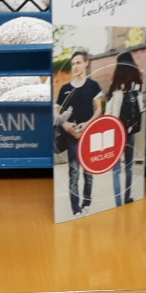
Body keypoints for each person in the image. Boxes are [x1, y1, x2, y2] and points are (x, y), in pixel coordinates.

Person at [55, 50, 103, 216]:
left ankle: (87, 202)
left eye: (78, 62)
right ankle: (76, 209)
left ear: (86, 63)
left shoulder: (93, 86)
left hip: (89, 135)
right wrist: (66, 124)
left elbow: (99, 110)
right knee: (74, 174)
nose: (75, 66)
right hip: (72, 137)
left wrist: (88, 124)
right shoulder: (65, 89)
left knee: (89, 173)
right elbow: (56, 112)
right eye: (73, 64)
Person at [104, 52, 143, 206]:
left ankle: (118, 202)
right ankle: (127, 197)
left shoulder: (115, 87)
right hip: (131, 131)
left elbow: (109, 112)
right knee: (129, 166)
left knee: (116, 169)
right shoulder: (138, 85)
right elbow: (140, 109)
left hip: (116, 132)